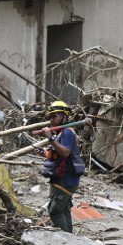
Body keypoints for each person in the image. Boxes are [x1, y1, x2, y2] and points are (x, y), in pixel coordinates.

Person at [35, 100, 86, 233]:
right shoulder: (62, 133)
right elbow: (59, 156)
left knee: (55, 211)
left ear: (64, 116)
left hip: (65, 180)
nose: (51, 120)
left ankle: (64, 241)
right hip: (63, 178)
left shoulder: (67, 132)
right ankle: (69, 239)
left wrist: (50, 138)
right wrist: (45, 153)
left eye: (54, 116)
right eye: (50, 117)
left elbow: (65, 152)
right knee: (64, 210)